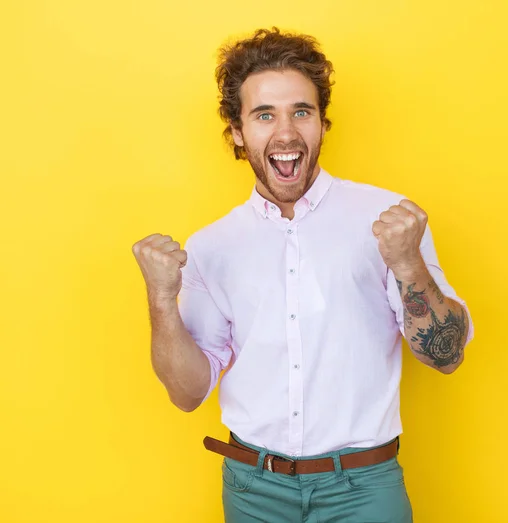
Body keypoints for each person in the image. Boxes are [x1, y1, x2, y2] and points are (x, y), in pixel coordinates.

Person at [132, 27, 474, 523]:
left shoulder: (390, 220)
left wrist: (406, 263)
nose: (286, 132)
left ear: (322, 124)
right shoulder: (211, 246)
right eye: (264, 114)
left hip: (364, 490)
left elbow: (447, 357)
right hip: (252, 490)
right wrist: (161, 300)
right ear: (237, 131)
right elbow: (187, 393)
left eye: (301, 111)